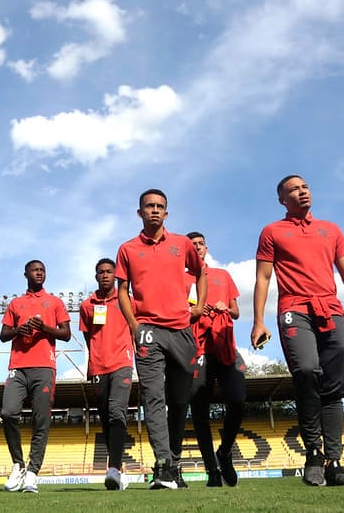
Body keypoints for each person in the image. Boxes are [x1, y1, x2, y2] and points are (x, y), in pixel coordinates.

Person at [251, 175, 344, 487]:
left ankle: (334, 462)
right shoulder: (272, 231)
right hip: (294, 308)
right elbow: (264, 277)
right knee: (307, 371)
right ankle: (314, 453)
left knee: (334, 387)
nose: (302, 191)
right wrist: (258, 320)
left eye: (304, 186)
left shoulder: (331, 229)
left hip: (331, 309)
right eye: (293, 189)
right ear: (282, 199)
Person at [115, 189, 206, 490]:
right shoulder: (127, 249)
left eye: (160, 206)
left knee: (180, 401)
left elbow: (200, 274)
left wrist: (200, 307)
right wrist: (134, 324)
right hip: (148, 332)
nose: (154, 210)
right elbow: (122, 291)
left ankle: (175, 461)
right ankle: (163, 466)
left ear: (167, 213)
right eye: (149, 206)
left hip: (181, 331)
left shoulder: (181, 244)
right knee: (153, 397)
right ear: (139, 212)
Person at [1, 260, 71, 494]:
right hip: (18, 367)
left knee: (41, 420)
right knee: (8, 413)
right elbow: (3, 335)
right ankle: (18, 464)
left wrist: (44, 329)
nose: (39, 273)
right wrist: (18, 330)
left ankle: (32, 473)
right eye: (35, 270)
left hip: (44, 368)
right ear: (26, 274)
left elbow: (66, 334)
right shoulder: (15, 303)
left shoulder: (55, 302)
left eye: (42, 270)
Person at [185, 232, 245, 487]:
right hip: (196, 348)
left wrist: (225, 308)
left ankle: (226, 451)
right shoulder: (180, 278)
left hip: (224, 343)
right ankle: (212, 470)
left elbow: (237, 312)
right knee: (200, 411)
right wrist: (192, 310)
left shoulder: (222, 275)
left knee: (238, 399)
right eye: (192, 245)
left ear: (206, 248)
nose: (197, 248)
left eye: (200, 244)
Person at [79, 258, 134, 491]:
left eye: (109, 272)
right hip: (98, 367)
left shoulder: (127, 300)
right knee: (104, 417)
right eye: (100, 272)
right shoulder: (87, 305)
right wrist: (96, 355)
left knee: (116, 411)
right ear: (95, 276)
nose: (105, 275)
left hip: (122, 362)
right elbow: (86, 334)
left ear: (115, 275)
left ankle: (112, 468)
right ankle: (119, 472)